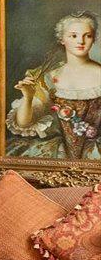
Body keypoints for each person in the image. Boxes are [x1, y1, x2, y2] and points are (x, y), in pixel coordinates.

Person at [8, 11, 101, 161]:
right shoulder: (49, 77)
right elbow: (23, 124)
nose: (81, 41)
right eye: (74, 36)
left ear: (93, 38)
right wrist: (28, 97)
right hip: (58, 152)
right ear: (62, 39)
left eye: (87, 36)